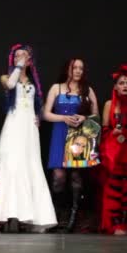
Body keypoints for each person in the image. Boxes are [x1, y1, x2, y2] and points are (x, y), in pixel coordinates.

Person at [0, 44, 57, 233]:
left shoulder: (33, 82)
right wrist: (18, 67)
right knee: (9, 165)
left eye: (24, 56)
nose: (20, 58)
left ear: (30, 61)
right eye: (17, 56)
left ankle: (34, 216)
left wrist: (37, 115)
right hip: (13, 126)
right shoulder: (6, 77)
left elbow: (36, 104)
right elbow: (11, 85)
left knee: (30, 166)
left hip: (29, 129)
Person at [43, 58, 98, 232]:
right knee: (59, 177)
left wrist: (84, 117)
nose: (78, 71)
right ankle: (58, 215)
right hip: (60, 133)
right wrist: (63, 118)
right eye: (75, 67)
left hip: (78, 137)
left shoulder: (87, 90)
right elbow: (45, 114)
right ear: (68, 69)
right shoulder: (56, 88)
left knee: (76, 177)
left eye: (81, 68)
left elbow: (96, 116)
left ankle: (73, 217)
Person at [99, 61, 127, 235]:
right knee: (113, 188)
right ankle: (112, 224)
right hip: (114, 152)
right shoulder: (109, 104)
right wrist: (113, 133)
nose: (125, 86)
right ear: (115, 86)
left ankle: (125, 223)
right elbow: (104, 129)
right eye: (121, 83)